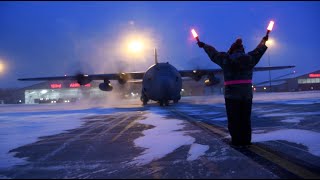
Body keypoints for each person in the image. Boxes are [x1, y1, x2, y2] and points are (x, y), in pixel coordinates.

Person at [197, 35, 269, 146]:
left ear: (231, 49)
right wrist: (263, 41)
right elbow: (258, 51)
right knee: (245, 119)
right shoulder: (249, 59)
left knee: (234, 119)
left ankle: (236, 141)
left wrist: (204, 45)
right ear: (242, 49)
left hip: (231, 95)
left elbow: (214, 54)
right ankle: (246, 140)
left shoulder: (226, 59)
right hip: (246, 95)